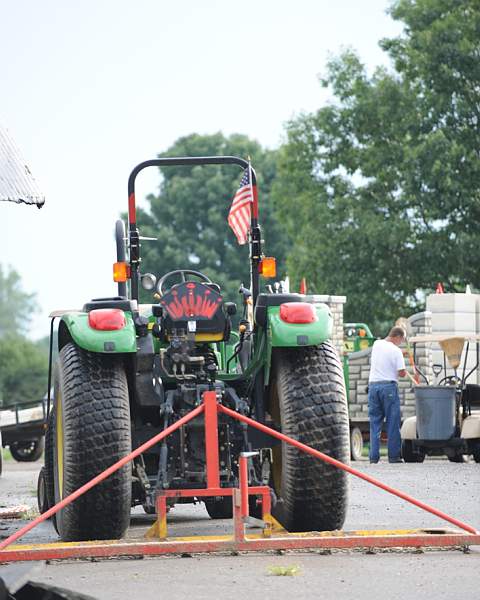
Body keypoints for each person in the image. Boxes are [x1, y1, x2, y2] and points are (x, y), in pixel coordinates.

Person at [368, 326, 407, 463]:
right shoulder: (396, 351)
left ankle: (373, 457)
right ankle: (394, 456)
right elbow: (401, 372)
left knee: (375, 423)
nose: (401, 343)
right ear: (398, 337)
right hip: (388, 388)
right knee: (392, 422)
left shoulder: (376, 344)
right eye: (401, 340)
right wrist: (403, 369)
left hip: (373, 386)